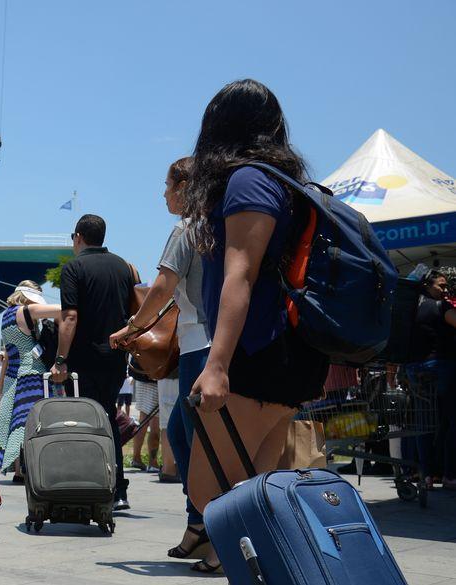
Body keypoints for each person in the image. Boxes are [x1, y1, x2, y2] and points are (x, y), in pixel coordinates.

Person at [181, 79, 330, 573]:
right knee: (253, 491)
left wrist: (217, 364)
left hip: (256, 353)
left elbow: (239, 273)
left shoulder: (249, 181)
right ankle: (252, 566)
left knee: (208, 493)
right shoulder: (288, 184)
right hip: (290, 354)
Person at [111, 156, 210, 558]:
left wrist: (133, 327)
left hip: (197, 347)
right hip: (211, 344)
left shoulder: (185, 229)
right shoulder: (216, 228)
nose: (163, 193)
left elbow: (163, 286)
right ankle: (198, 521)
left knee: (190, 440)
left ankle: (204, 523)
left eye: (168, 185)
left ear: (185, 187)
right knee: (189, 437)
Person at [50, 213, 139, 510]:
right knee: (109, 419)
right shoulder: (123, 267)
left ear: (78, 237)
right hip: (115, 358)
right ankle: (119, 490)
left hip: (83, 360)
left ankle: (86, 486)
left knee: (83, 423)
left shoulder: (74, 268)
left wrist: (60, 360)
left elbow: (70, 316)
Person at [0, 282, 59, 477]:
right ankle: (33, 468)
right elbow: (63, 311)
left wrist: (1, 383)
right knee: (33, 421)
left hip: (14, 373)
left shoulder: (7, 315)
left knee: (16, 421)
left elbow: (8, 354)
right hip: (32, 372)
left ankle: (18, 470)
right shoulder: (27, 310)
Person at [403, 271, 456, 490]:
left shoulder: (410, 309)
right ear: (427, 285)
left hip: (414, 370)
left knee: (423, 423)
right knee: (452, 421)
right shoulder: (441, 307)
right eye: (441, 286)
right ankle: (450, 475)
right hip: (440, 368)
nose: (445, 290)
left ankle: (425, 475)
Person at [129, 365, 161, 472]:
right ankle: (153, 462)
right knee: (154, 424)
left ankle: (136, 458)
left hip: (141, 376)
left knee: (143, 421)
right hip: (154, 378)